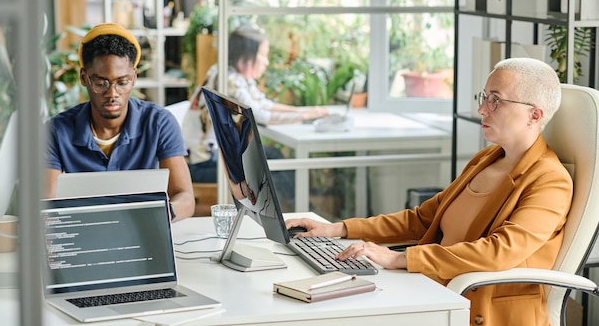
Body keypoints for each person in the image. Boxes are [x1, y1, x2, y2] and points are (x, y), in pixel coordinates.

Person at [286, 57, 572, 326]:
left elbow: (499, 252)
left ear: (534, 115)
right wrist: (337, 229)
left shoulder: (549, 180)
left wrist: (401, 258)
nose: (482, 109)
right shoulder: (486, 159)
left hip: (480, 310)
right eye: (484, 97)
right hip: (435, 290)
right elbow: (421, 219)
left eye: (495, 100)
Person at [45, 23, 195, 221]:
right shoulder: (56, 130)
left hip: (143, 230)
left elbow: (185, 197)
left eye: (122, 82)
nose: (112, 93)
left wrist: (164, 213)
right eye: (100, 82)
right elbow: (46, 202)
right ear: (84, 77)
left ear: (134, 78)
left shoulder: (159, 123)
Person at [181, 25, 329, 210]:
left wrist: (303, 112)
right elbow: (259, 115)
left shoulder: (228, 73)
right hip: (202, 164)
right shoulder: (229, 79)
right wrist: (306, 115)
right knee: (271, 161)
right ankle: (301, 210)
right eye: (263, 55)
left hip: (204, 158)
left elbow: (263, 103)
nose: (266, 62)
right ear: (247, 56)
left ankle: (300, 209)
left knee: (272, 157)